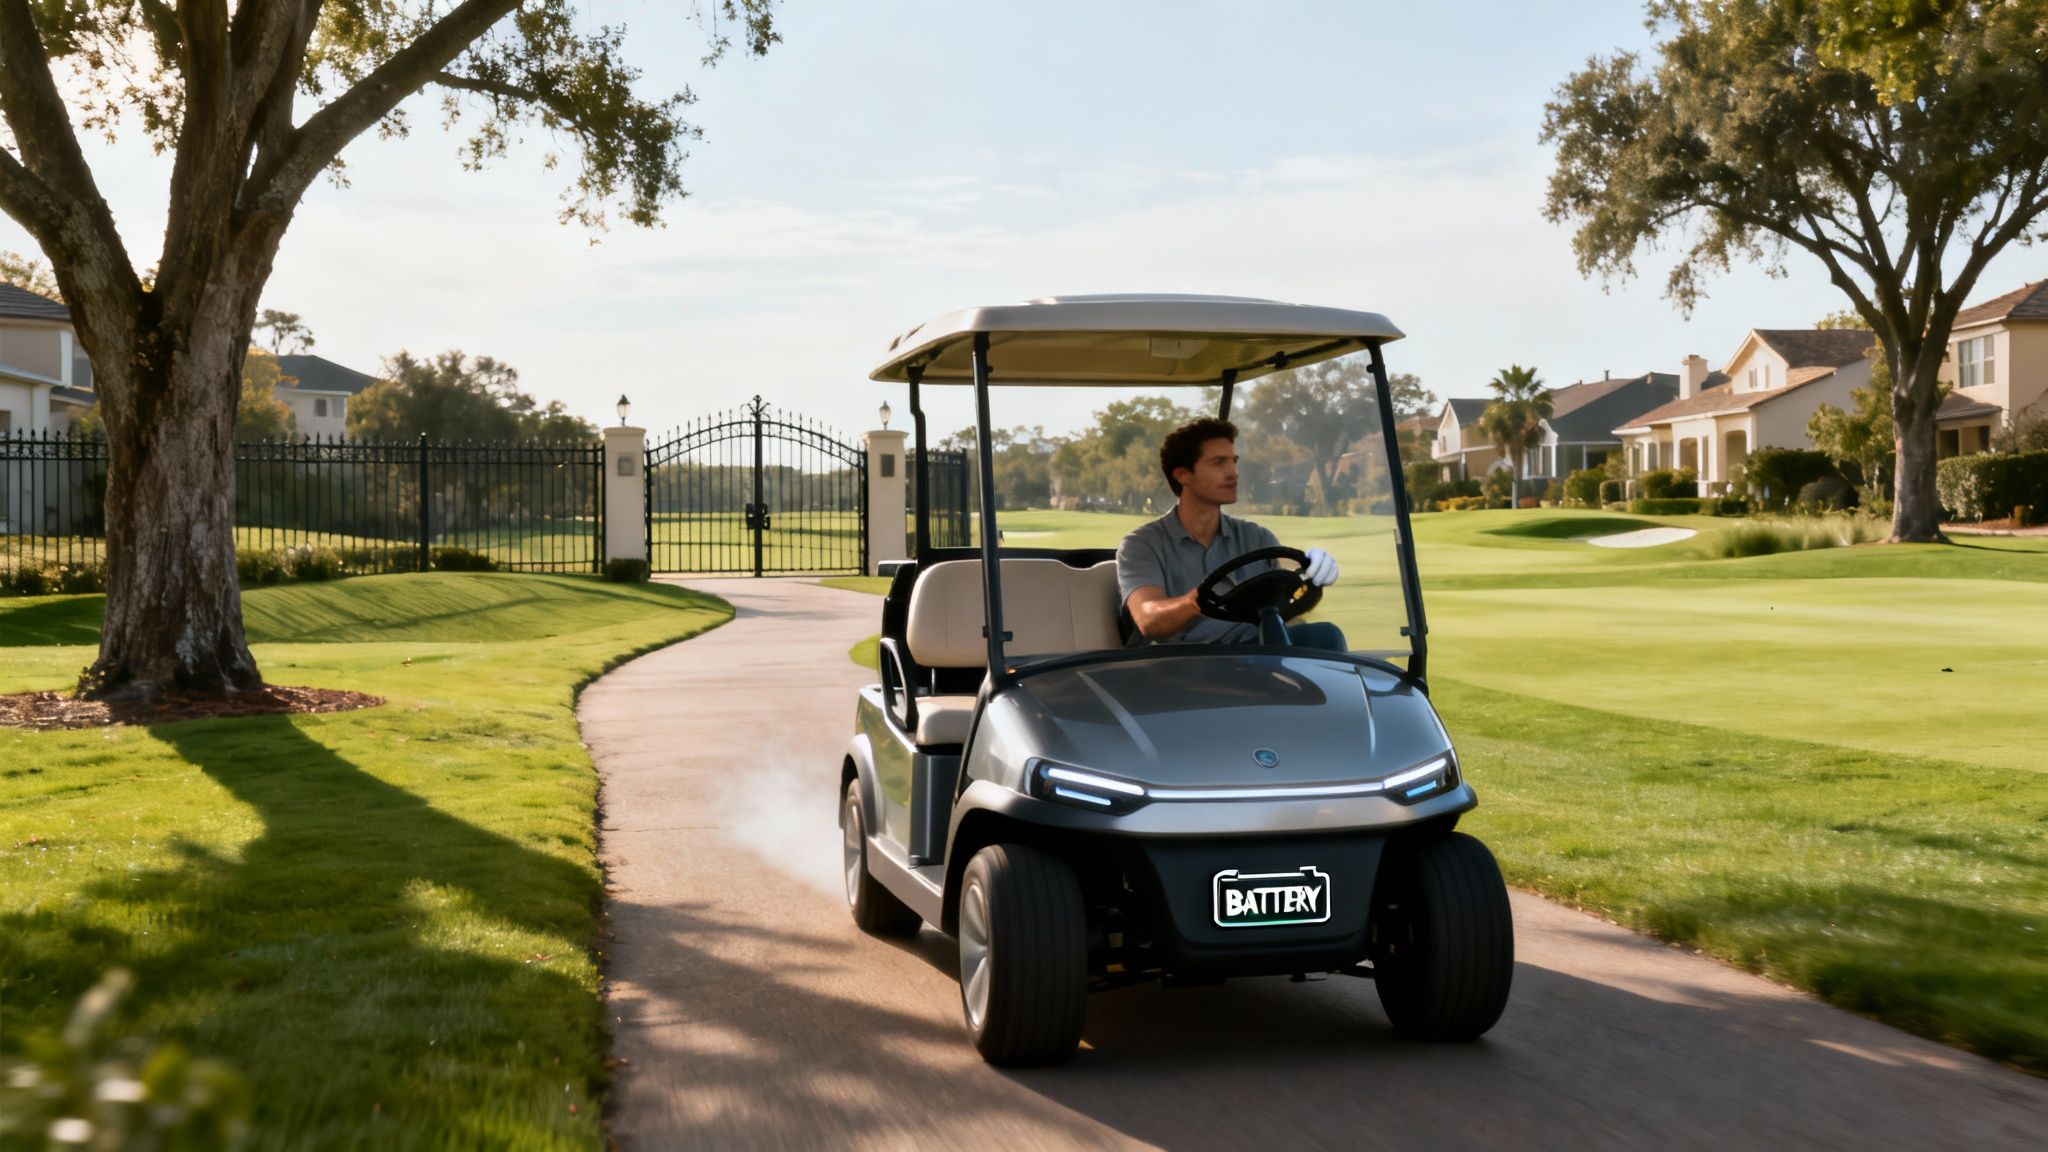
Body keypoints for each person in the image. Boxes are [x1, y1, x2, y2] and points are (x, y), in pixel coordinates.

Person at [1116, 417, 1347, 650]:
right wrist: (1198, 600)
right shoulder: (1141, 545)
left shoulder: (1256, 537)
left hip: (1251, 656)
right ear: (1183, 475)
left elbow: (1290, 591)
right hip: (1179, 665)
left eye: (1233, 462)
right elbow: (1149, 619)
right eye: (1218, 463)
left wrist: (1313, 573)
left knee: (1327, 636)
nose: (1233, 473)